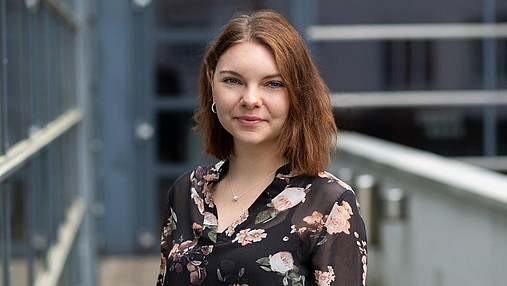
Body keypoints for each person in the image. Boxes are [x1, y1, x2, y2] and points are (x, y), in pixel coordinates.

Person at [157, 10, 367, 286]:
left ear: (297, 94)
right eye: (233, 80)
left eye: (273, 84)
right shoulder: (187, 191)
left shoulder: (329, 205)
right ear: (212, 84)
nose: (250, 99)